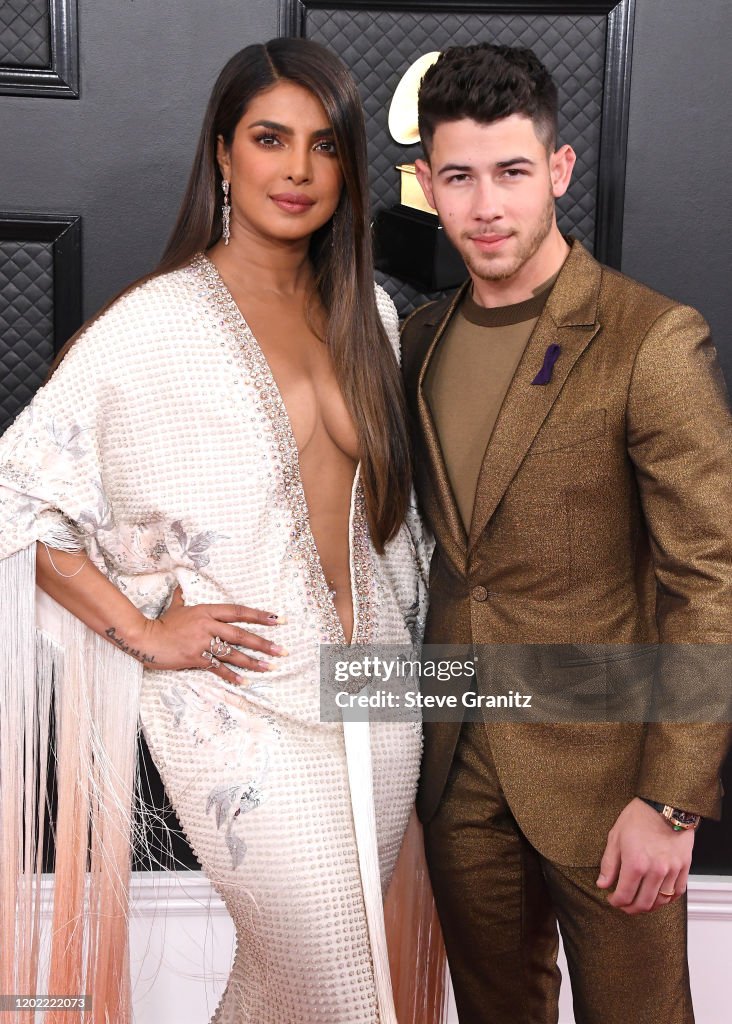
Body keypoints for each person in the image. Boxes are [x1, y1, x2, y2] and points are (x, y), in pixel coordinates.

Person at [0, 38, 446, 1024]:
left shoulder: (365, 311)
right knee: (335, 985)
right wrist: (144, 631)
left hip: (374, 703)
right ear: (222, 154)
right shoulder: (154, 327)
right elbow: (16, 499)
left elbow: (393, 530)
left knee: (289, 989)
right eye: (270, 139)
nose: (297, 170)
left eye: (324, 146)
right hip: (239, 715)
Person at [400, 42, 732, 1024]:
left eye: (511, 172)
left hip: (610, 777)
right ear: (427, 184)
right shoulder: (416, 343)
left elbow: (708, 578)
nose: (486, 205)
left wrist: (672, 799)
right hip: (456, 762)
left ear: (558, 169)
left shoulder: (650, 339)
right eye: (459, 176)